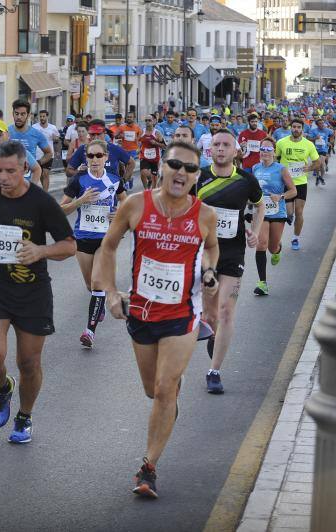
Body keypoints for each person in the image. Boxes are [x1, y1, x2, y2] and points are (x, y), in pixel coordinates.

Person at [93, 141, 219, 499]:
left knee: (164, 389)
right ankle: (167, 399)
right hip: (143, 312)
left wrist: (209, 272)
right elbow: (108, 246)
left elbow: (211, 247)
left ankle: (148, 468)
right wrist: (111, 292)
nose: (182, 173)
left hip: (183, 313)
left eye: (190, 168)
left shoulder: (204, 214)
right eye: (175, 164)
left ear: (197, 176)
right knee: (154, 390)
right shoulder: (135, 204)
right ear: (163, 166)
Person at [0, 140, 76, 443]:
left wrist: (41, 251)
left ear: (24, 168)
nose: (4, 177)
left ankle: (24, 416)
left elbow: (69, 245)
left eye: (11, 171)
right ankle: (4, 388)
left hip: (31, 292)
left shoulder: (42, 202)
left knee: (29, 363)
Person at [199, 129, 265, 394]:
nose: (221, 149)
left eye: (227, 144)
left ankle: (214, 372)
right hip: (203, 252)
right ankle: (211, 332)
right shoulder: (200, 178)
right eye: (217, 144)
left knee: (226, 309)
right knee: (210, 314)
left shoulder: (246, 180)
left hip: (233, 252)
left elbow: (259, 205)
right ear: (210, 150)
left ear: (236, 151)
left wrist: (256, 232)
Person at [60, 139, 127, 348]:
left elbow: (127, 203)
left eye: (99, 156)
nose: (95, 160)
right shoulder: (79, 180)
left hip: (106, 239)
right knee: (91, 285)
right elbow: (61, 209)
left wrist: (119, 214)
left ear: (106, 157)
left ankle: (89, 331)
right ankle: (99, 306)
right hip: (83, 238)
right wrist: (80, 201)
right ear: (86, 158)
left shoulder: (115, 180)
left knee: (98, 283)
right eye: (91, 156)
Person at [252, 137, 296, 296]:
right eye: (262, 149)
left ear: (274, 152)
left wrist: (281, 196)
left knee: (271, 247)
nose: (265, 152)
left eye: (268, 149)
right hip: (261, 210)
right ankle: (262, 283)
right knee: (261, 244)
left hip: (278, 211)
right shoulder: (255, 168)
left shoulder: (281, 169)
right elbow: (253, 191)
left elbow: (293, 190)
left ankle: (277, 250)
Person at [276, 118, 320, 250]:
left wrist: (309, 168)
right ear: (291, 128)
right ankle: (289, 216)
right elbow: (276, 159)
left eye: (298, 127)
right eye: (294, 127)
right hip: (286, 182)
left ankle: (296, 238)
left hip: (301, 182)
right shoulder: (281, 143)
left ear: (302, 129)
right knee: (289, 213)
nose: (296, 129)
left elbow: (317, 162)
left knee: (299, 212)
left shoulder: (308, 145)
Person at [66, 120, 134, 180]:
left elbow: (131, 163)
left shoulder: (114, 149)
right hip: (89, 191)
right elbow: (68, 171)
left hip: (110, 191)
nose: (96, 137)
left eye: (98, 134)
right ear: (89, 134)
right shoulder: (82, 149)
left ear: (104, 133)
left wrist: (123, 181)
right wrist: (80, 172)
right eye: (92, 134)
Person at [8, 99, 53, 185]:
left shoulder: (36, 134)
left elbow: (49, 153)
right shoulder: (6, 132)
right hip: (10, 182)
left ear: (28, 115)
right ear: (12, 114)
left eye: (23, 114)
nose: (19, 117)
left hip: (28, 183)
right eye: (16, 113)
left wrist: (37, 163)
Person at [0, 119, 41, 184]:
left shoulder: (19, 152)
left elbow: (37, 169)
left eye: (0, 135)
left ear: (8, 135)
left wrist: (31, 189)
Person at [31, 109, 60, 190]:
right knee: (40, 174)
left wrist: (56, 138)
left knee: (46, 173)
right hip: (37, 154)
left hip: (49, 154)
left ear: (47, 117)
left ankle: (45, 193)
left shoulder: (52, 127)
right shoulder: (34, 127)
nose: (42, 118)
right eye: (40, 116)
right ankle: (43, 191)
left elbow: (57, 138)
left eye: (44, 116)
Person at [139, 116, 165, 189]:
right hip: (144, 156)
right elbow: (138, 141)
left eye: (149, 120)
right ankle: (146, 190)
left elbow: (164, 146)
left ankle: (152, 187)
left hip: (155, 158)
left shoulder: (157, 133)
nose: (147, 122)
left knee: (154, 179)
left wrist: (156, 143)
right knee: (143, 172)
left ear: (153, 121)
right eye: (146, 120)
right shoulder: (142, 132)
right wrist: (138, 148)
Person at [307, 117, 332, 185]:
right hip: (315, 149)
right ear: (317, 125)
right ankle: (318, 177)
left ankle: (321, 177)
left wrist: (330, 142)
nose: (322, 124)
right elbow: (309, 138)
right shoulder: (314, 131)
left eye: (322, 123)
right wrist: (315, 138)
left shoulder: (327, 130)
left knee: (322, 164)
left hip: (324, 149)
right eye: (320, 123)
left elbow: (333, 133)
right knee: (317, 165)